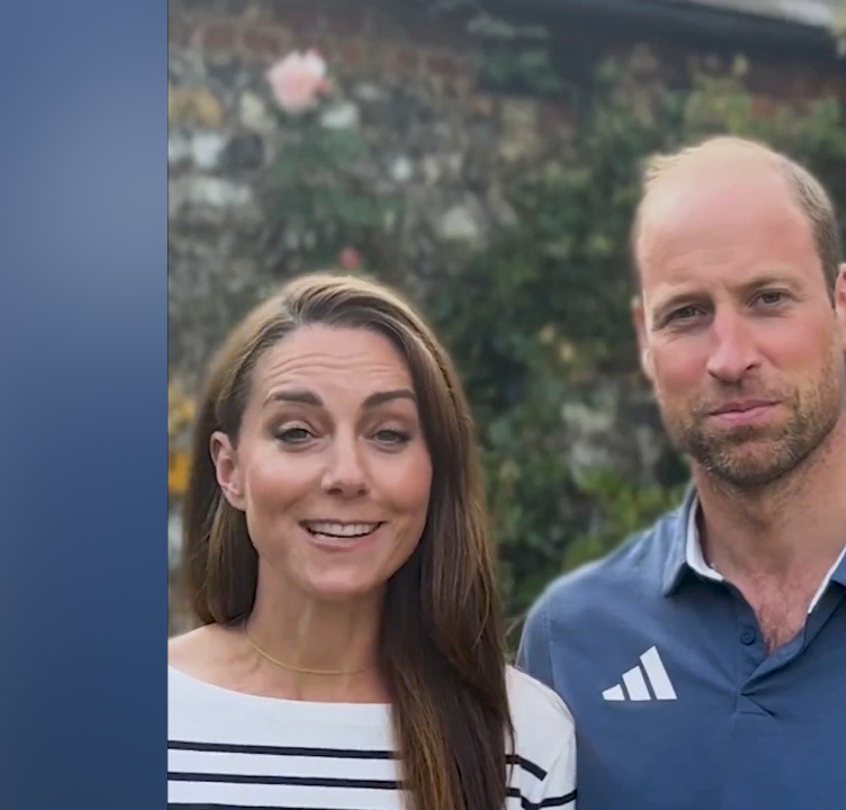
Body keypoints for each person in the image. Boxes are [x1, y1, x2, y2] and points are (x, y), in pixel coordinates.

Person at [516, 136, 846, 809]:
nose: (730, 357)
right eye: (687, 314)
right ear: (644, 342)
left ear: (844, 304)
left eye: (768, 298)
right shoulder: (573, 641)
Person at [169, 273, 577, 810]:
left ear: (435, 471)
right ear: (230, 469)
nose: (346, 475)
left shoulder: (523, 738)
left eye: (388, 434)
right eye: (297, 432)